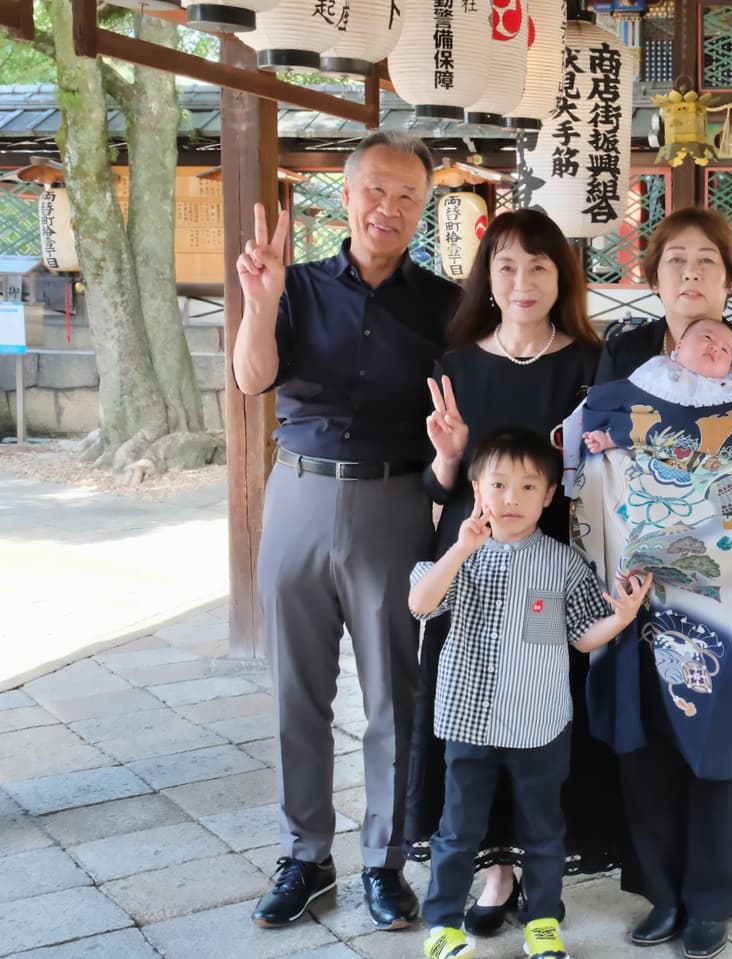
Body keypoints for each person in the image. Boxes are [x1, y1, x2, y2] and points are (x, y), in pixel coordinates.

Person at [233, 131, 460, 930]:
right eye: (376, 190)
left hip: (393, 500)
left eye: (407, 196)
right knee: (296, 687)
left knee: (393, 692)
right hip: (298, 492)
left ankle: (384, 861)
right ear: (348, 193)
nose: (388, 208)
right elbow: (253, 378)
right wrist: (259, 304)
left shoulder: (444, 306)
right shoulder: (292, 285)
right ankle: (305, 854)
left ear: (422, 208)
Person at [407, 209, 617, 935]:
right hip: (472, 558)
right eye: (506, 267)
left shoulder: (591, 363)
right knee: (472, 704)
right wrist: (449, 456)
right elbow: (437, 486)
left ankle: (538, 863)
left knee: (539, 707)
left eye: (539, 266)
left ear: (563, 279)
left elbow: (606, 474)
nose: (522, 281)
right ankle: (493, 869)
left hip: (556, 564)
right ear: (487, 280)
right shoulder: (456, 364)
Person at [572, 317, 732, 959]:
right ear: (673, 349)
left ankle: (713, 898)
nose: (715, 346)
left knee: (725, 743)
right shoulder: (624, 393)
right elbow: (591, 466)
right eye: (703, 337)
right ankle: (663, 891)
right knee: (647, 740)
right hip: (639, 596)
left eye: (727, 344)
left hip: (729, 602)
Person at [409, 429, 653, 959]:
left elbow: (582, 637)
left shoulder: (563, 563)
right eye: (498, 485)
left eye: (527, 487)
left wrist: (621, 618)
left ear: (548, 496)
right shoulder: (461, 555)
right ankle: (443, 926)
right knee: (458, 830)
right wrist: (461, 547)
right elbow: (420, 604)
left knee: (544, 831)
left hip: (540, 722)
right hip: (469, 721)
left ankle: (542, 921)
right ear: (477, 489)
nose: (511, 499)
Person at [593, 207, 732, 391]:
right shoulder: (621, 352)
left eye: (706, 259)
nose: (691, 273)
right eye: (676, 259)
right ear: (655, 280)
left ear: (730, 280)